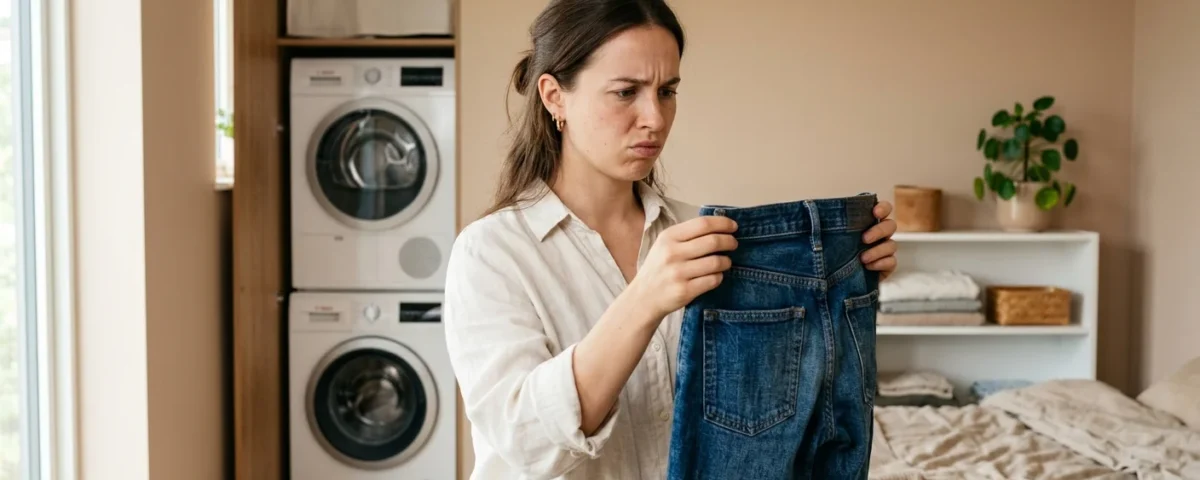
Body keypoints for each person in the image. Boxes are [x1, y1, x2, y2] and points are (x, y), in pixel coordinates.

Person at [442, 1, 899, 478]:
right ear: (555, 96)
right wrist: (643, 301)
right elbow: (527, 444)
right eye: (625, 92)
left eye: (667, 91)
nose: (655, 118)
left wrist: (850, 273)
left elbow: (779, 405)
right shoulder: (491, 253)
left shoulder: (701, 235)